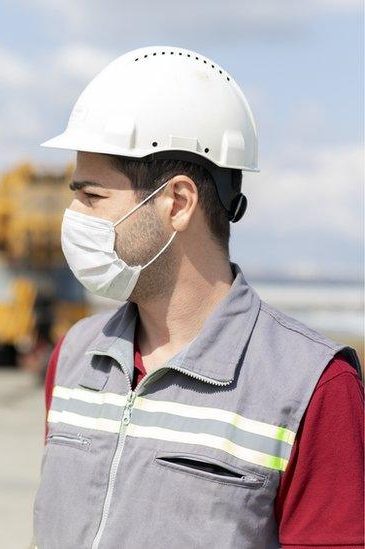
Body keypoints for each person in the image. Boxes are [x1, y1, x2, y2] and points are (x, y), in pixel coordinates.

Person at [31, 46, 364, 548]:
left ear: (178, 203)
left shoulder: (315, 388)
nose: (73, 214)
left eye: (91, 196)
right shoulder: (75, 356)